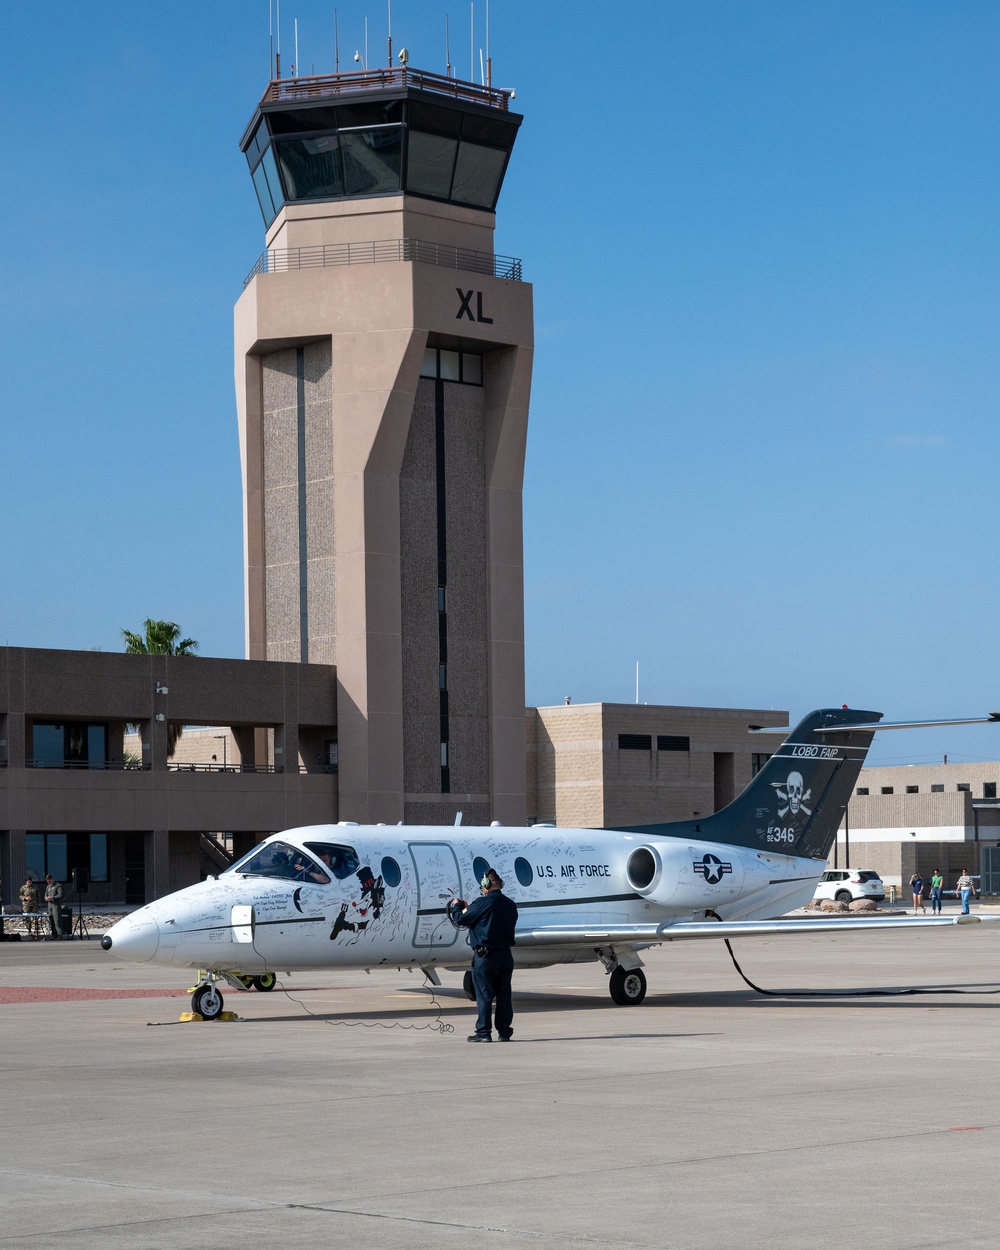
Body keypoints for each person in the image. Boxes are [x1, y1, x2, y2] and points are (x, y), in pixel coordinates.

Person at [451, 868, 519, 1043]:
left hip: (485, 957)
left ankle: (483, 1033)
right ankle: (504, 1032)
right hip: (505, 956)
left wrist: (457, 907)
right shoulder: (511, 905)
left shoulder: (481, 904)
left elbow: (460, 920)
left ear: (486, 885)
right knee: (504, 995)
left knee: (484, 995)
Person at [44, 874, 64, 940]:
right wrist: (46, 898)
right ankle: (54, 935)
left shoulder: (57, 885)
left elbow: (60, 895)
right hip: (50, 905)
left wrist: (52, 898)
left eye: (49, 881)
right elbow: (46, 894)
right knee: (51, 919)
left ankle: (59, 935)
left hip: (55, 905)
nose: (48, 883)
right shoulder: (48, 887)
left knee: (57, 920)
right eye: (47, 882)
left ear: (52, 879)